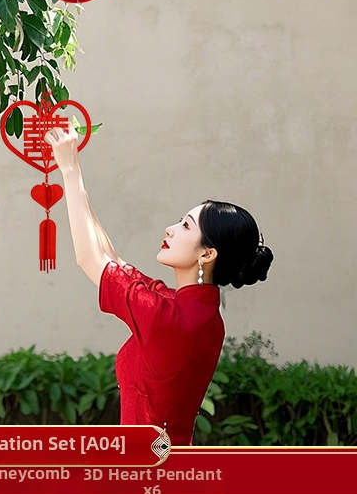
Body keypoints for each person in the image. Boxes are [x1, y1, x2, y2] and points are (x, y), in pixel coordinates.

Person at [44, 126, 274, 446]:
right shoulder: (197, 314)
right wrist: (75, 173)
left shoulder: (168, 318)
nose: (169, 229)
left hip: (148, 466)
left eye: (185, 226)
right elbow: (112, 259)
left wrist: (68, 170)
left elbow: (89, 260)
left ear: (207, 253)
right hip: (168, 459)